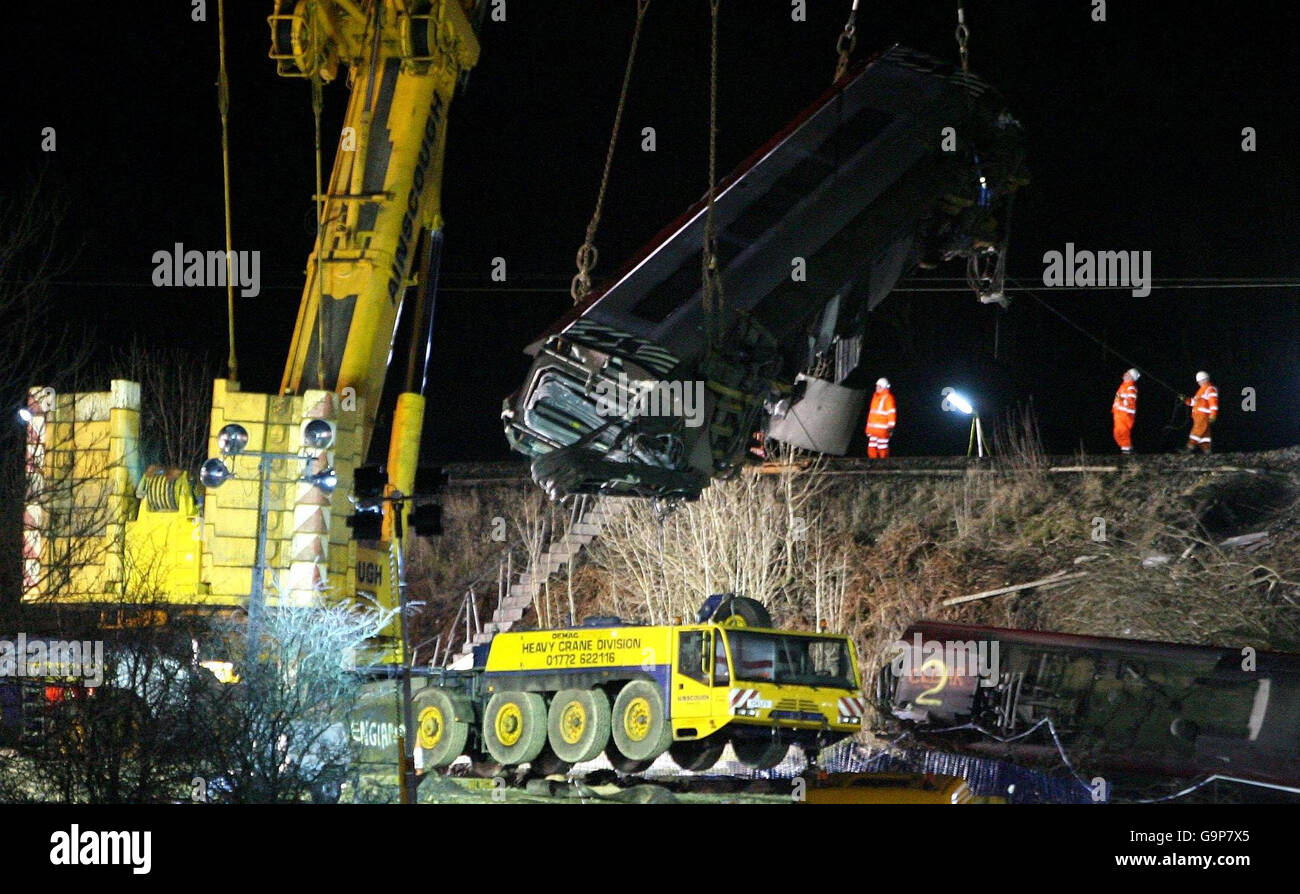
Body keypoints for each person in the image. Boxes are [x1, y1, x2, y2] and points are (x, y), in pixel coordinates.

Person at [1182, 371, 1219, 453]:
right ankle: (1207, 450)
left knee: (1197, 430)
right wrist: (1186, 399)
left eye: (1201, 381)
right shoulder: (1201, 390)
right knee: (1204, 433)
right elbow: (1194, 403)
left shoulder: (1210, 389)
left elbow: (1213, 403)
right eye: (1199, 381)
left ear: (1205, 380)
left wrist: (1213, 415)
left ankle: (1189, 447)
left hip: (1203, 415)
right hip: (1198, 415)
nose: (1199, 383)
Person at [865, 378, 896, 458]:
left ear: (884, 387)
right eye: (877, 386)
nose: (877, 388)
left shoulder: (888, 398)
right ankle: (873, 465)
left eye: (879, 386)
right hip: (873, 431)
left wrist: (890, 428)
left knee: (882, 448)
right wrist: (868, 430)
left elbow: (891, 413)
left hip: (883, 430)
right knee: (871, 448)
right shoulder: (875, 398)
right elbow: (872, 415)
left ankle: (883, 465)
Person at [1111, 368, 1139, 454]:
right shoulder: (1123, 386)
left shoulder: (1131, 387)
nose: (1125, 374)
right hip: (1118, 413)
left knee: (1123, 431)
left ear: (1131, 377)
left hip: (1126, 414)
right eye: (1126, 372)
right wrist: (1115, 407)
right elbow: (1117, 398)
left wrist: (1120, 401)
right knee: (1117, 433)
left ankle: (1126, 450)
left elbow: (1130, 401)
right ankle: (1128, 448)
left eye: (1127, 373)